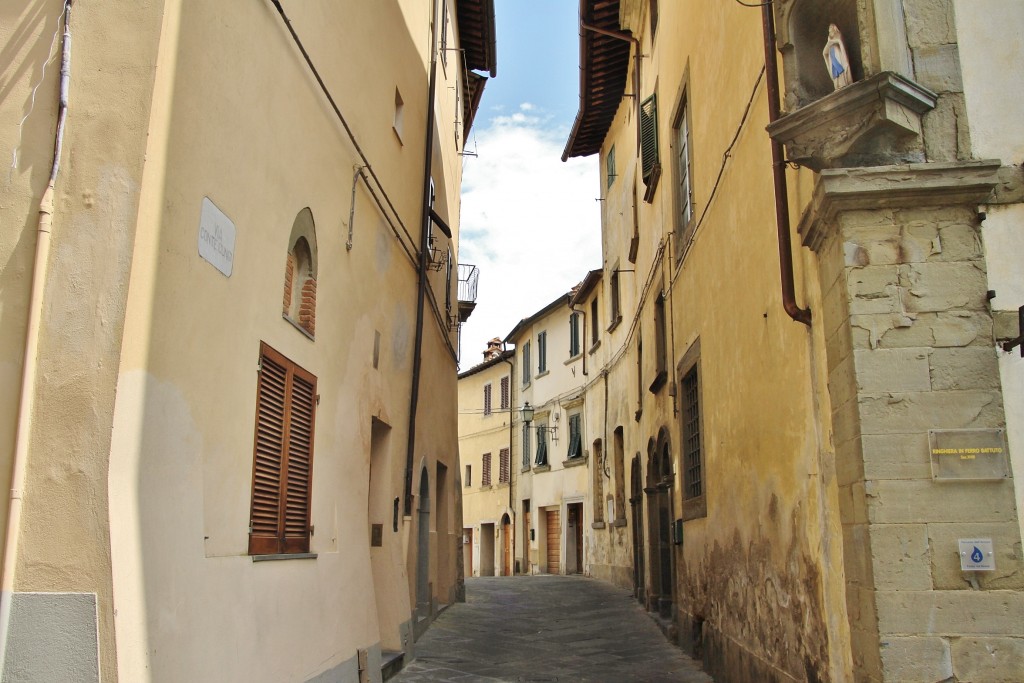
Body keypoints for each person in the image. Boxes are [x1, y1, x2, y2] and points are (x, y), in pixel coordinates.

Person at [822, 23, 853, 90]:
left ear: (834, 27)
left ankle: (843, 83)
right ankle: (837, 85)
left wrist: (833, 41)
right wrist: (829, 43)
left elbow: (839, 42)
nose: (829, 28)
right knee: (834, 69)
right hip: (831, 53)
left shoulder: (838, 34)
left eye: (831, 27)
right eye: (829, 27)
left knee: (839, 66)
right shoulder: (829, 37)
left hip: (837, 53)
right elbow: (828, 46)